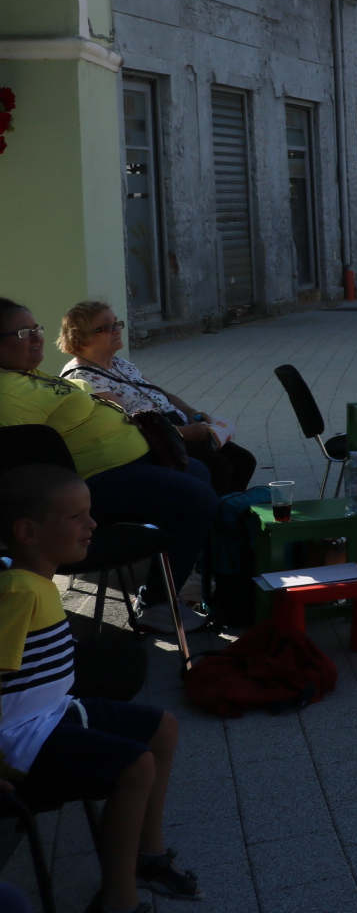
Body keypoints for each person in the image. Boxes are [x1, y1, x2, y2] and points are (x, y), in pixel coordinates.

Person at [0, 464, 200, 913]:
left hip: (50, 712)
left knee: (162, 728)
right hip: (17, 736)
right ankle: (118, 903)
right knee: (136, 765)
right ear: (28, 531)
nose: (93, 525)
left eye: (90, 513)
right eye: (76, 516)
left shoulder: (29, 578)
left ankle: (146, 858)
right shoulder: (19, 592)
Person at [0, 300, 213, 633]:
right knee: (197, 498)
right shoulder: (7, 394)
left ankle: (182, 573)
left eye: (37, 329)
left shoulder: (28, 375)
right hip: (95, 481)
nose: (36, 338)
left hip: (129, 463)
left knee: (199, 472)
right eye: (24, 332)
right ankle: (157, 603)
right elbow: (18, 463)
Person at [56, 302, 256, 497]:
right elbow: (126, 424)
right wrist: (184, 433)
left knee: (244, 460)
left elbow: (160, 393)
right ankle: (215, 520)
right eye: (107, 327)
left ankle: (231, 511)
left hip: (173, 427)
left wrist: (191, 412)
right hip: (154, 439)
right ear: (81, 339)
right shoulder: (81, 376)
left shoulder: (118, 362)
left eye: (117, 323)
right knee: (218, 467)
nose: (117, 330)